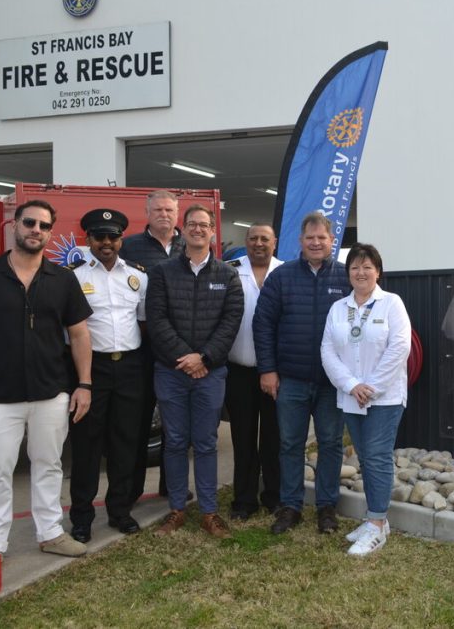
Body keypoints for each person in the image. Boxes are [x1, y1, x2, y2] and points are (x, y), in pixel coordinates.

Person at [0, 199, 93, 559]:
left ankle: (50, 533)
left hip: (51, 393)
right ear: (15, 225)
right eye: (30, 222)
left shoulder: (62, 279)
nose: (36, 230)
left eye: (45, 226)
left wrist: (84, 384)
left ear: (50, 233)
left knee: (49, 466)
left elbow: (79, 335)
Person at [145, 203, 243, 538]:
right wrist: (186, 358)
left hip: (210, 373)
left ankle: (209, 511)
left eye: (204, 224)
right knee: (174, 441)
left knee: (205, 442)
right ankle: (176, 510)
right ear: (181, 230)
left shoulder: (228, 276)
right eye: (192, 224)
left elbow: (231, 323)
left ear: (213, 231)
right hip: (171, 372)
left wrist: (204, 358)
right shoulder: (161, 273)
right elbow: (156, 321)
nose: (198, 229)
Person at [253, 212, 348, 535]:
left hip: (332, 383)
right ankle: (290, 506)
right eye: (311, 237)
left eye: (322, 237)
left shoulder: (346, 277)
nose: (316, 242)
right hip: (290, 379)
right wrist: (267, 369)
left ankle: (326, 508)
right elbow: (263, 324)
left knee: (331, 444)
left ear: (332, 241)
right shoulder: (282, 277)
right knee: (290, 444)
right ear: (301, 241)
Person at [321, 243, 411, 555]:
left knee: (376, 456)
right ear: (348, 274)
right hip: (351, 397)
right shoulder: (339, 308)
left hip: (383, 398)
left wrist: (369, 387)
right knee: (365, 456)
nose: (361, 272)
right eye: (355, 267)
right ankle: (377, 519)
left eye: (367, 267)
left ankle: (376, 525)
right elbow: (328, 351)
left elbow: (400, 347)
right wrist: (351, 385)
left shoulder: (391, 304)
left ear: (378, 271)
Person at [67, 208, 148, 542]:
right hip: (92, 369)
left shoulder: (138, 277)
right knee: (86, 445)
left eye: (113, 237)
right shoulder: (73, 277)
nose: (106, 243)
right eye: (99, 237)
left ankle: (119, 511)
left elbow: (142, 319)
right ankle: (82, 518)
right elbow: (69, 331)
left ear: (120, 240)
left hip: (130, 366)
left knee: (125, 441)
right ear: (88, 240)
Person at [119, 189, 184, 504]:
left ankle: (172, 487)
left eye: (169, 210)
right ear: (147, 213)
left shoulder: (190, 245)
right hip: (141, 347)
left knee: (175, 424)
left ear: (177, 212)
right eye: (158, 209)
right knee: (138, 422)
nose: (164, 214)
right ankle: (131, 491)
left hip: (180, 350)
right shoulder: (129, 247)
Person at [224, 224, 283, 519]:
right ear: (245, 242)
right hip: (240, 371)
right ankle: (244, 500)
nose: (259, 243)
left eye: (265, 239)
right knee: (243, 437)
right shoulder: (228, 270)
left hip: (276, 373)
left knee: (274, 438)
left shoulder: (286, 272)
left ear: (275, 243)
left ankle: (274, 497)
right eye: (253, 238)